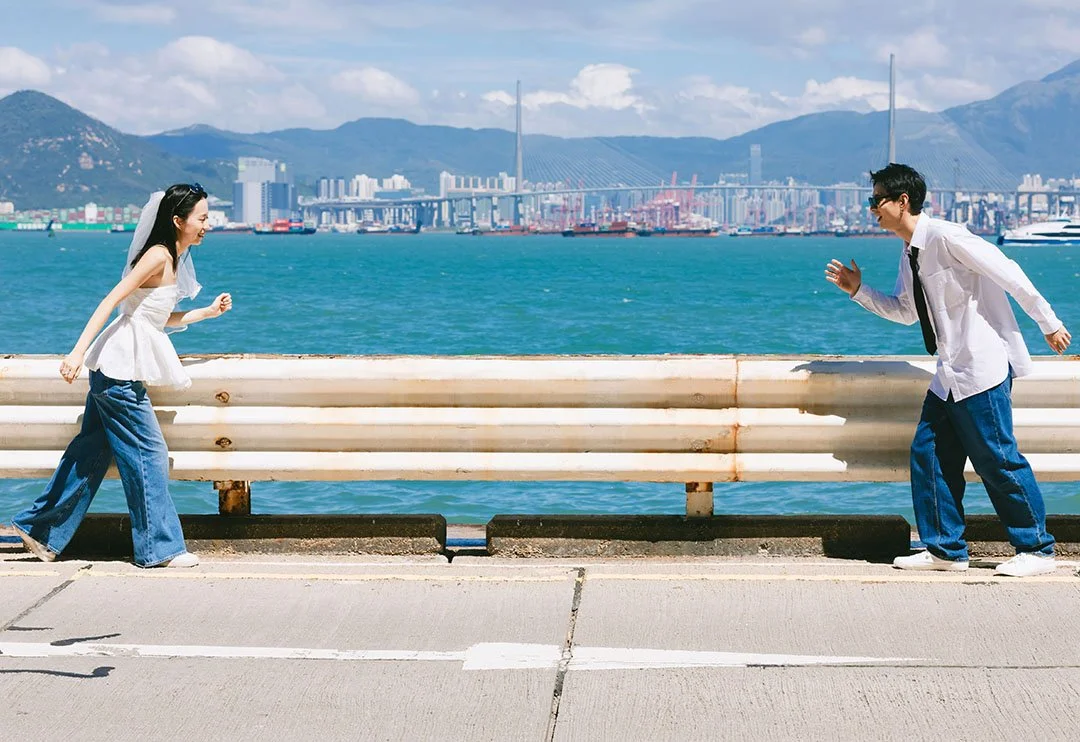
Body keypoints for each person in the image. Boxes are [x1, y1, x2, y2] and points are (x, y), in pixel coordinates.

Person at [825, 163, 1071, 577]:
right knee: (929, 454)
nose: (872, 209)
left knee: (998, 459)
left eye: (876, 200)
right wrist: (859, 291)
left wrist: (1049, 322)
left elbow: (1008, 272)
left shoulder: (946, 237)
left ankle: (1037, 548)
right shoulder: (910, 251)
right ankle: (945, 549)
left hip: (981, 367)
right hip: (950, 372)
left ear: (903, 201)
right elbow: (907, 312)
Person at [11, 183, 232, 568]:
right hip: (119, 371)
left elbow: (157, 318)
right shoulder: (158, 256)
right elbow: (111, 301)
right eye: (202, 218)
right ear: (178, 221)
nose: (207, 225)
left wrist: (207, 313)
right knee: (149, 453)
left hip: (118, 367)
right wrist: (77, 352)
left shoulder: (174, 258)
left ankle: (40, 531)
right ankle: (158, 548)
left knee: (90, 454)